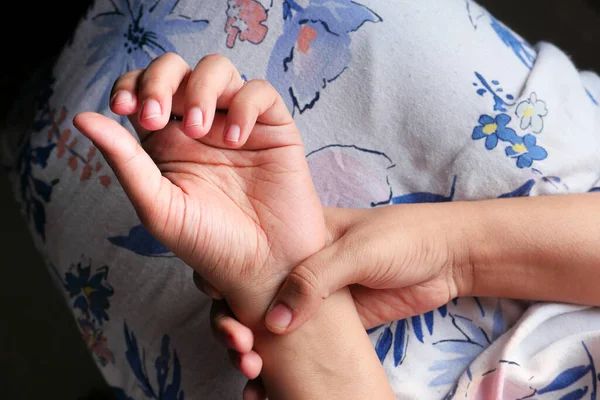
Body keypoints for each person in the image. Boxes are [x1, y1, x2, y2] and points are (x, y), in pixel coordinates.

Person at [2, 0, 599, 398]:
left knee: (58, 109)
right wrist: (453, 252)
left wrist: (275, 277)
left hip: (321, 356)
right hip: (534, 176)